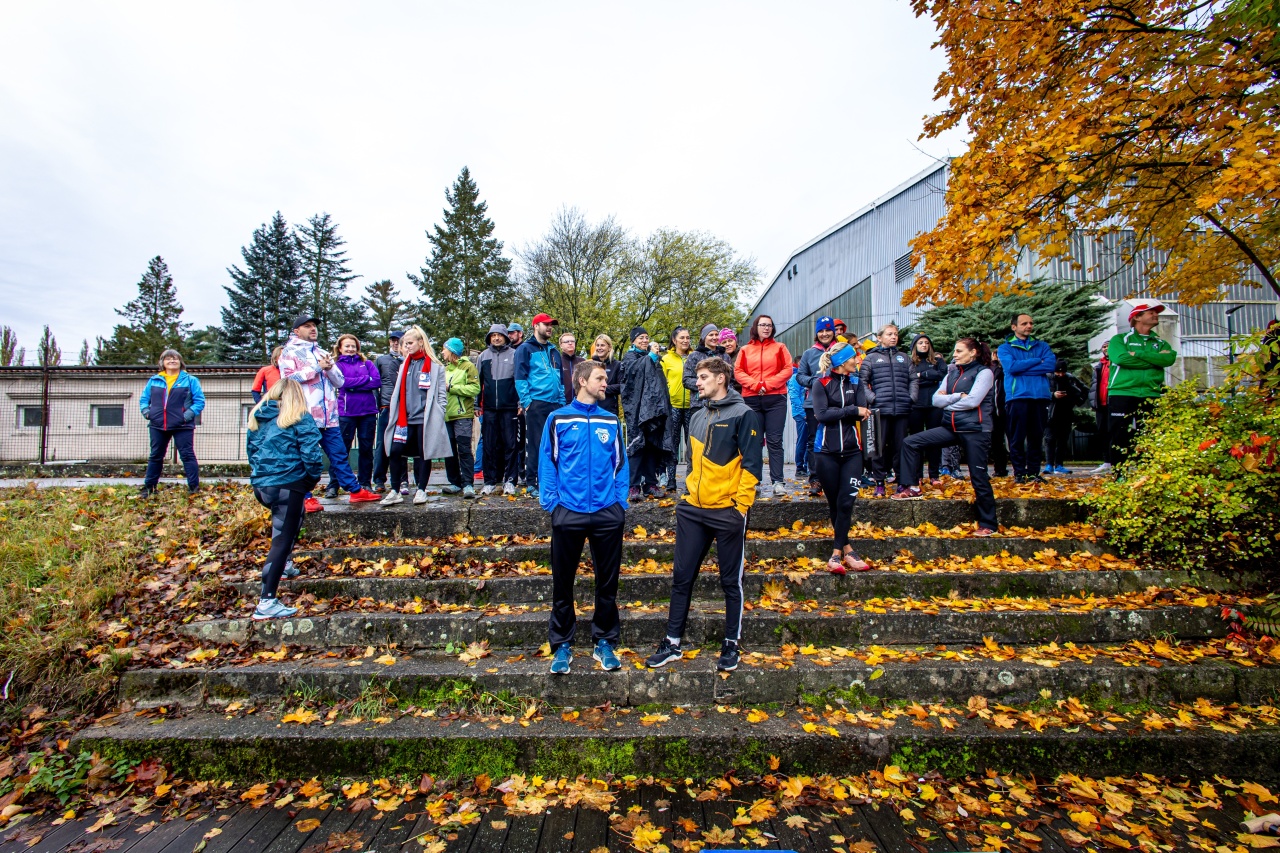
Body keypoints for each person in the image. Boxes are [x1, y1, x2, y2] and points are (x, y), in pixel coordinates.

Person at [646, 356, 762, 673]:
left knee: (731, 582)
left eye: (703, 377)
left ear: (721, 378)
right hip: (692, 511)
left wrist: (739, 508)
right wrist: (686, 497)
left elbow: (752, 467)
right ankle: (672, 642)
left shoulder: (744, 414)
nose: (697, 383)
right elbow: (693, 464)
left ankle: (731, 644)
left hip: (727, 511)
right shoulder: (697, 416)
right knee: (681, 578)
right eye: (697, 377)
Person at [539, 360, 631, 675]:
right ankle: (562, 644)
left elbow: (621, 463)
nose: (605, 383)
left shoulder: (611, 420)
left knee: (608, 583)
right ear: (582, 381)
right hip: (568, 511)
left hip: (607, 512)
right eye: (600, 378)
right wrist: (553, 505)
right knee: (562, 583)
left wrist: (619, 504)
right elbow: (547, 462)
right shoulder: (558, 418)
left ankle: (604, 641)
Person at [892, 337, 999, 535]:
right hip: (951, 427)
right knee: (911, 442)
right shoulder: (952, 372)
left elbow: (973, 401)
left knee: (978, 477)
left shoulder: (984, 372)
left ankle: (989, 524)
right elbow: (936, 400)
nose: (954, 355)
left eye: (959, 351)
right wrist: (957, 397)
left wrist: (948, 403)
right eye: (955, 351)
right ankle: (912, 487)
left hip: (975, 430)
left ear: (973, 353)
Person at [279, 313, 380, 511]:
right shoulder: (289, 352)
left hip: (329, 417)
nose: (313, 329)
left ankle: (355, 491)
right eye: (307, 326)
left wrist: (330, 368)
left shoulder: (322, 352)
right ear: (297, 331)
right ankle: (305, 496)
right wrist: (317, 368)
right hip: (304, 415)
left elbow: (340, 382)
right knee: (307, 457)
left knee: (339, 454)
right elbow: (288, 380)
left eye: (314, 326)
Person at [245, 377, 323, 620]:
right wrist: (309, 481)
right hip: (288, 483)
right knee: (281, 540)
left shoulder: (258, 417)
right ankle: (267, 601)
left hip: (263, 484)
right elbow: (311, 455)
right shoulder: (299, 416)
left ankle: (286, 564)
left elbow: (252, 452)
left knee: (292, 520)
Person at [810, 342, 872, 574]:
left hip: (853, 452)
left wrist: (850, 411)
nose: (857, 360)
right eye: (854, 357)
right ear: (843, 362)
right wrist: (851, 410)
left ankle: (836, 555)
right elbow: (822, 415)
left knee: (846, 502)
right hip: (826, 453)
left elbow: (863, 410)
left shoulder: (856, 382)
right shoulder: (821, 383)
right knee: (835, 502)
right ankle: (848, 549)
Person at [381, 326, 451, 505]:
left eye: (410, 343)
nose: (407, 346)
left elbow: (441, 395)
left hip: (424, 419)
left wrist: (439, 411)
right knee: (395, 451)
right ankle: (395, 490)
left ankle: (421, 489)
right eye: (405, 344)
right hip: (404, 420)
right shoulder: (404, 364)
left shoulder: (435, 366)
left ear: (421, 342)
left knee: (424, 453)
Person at [1106, 302, 1177, 467]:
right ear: (1137, 317)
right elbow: (1120, 358)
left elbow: (1168, 359)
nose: (1155, 315)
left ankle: (1146, 472)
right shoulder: (1119, 340)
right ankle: (1119, 474)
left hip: (1151, 393)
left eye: (1156, 313)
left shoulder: (1161, 343)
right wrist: (1154, 360)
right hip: (1122, 392)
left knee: (1149, 435)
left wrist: (1137, 354)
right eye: (1150, 312)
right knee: (1119, 435)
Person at [734, 315, 793, 497]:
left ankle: (778, 482)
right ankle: (755, 481)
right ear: (756, 327)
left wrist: (767, 385)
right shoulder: (745, 350)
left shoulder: (780, 347)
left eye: (769, 325)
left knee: (775, 441)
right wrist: (755, 385)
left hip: (775, 398)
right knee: (755, 441)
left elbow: (788, 369)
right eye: (762, 325)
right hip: (752, 399)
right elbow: (738, 371)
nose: (766, 328)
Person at [997, 313, 1056, 484]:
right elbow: (1011, 367)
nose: (1029, 326)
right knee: (1017, 438)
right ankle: (1019, 473)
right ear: (1014, 327)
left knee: (1036, 438)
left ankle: (1033, 473)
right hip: (1018, 397)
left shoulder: (1042, 345)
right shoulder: (1005, 348)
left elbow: (1050, 365)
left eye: (1031, 323)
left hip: (1040, 396)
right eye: (1024, 323)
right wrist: (1037, 361)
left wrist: (1024, 367)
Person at [139, 349, 205, 496]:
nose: (172, 361)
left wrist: (185, 417)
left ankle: (194, 489)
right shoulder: (154, 380)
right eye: (168, 358)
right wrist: (147, 412)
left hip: (183, 425)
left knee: (187, 456)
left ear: (180, 362)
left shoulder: (190, 380)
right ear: (162, 362)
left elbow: (199, 402)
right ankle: (149, 488)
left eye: (175, 358)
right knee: (156, 456)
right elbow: (144, 400)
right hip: (157, 424)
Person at [515, 313, 565, 498]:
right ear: (536, 326)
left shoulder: (554, 351)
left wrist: (562, 402)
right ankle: (532, 482)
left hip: (555, 405)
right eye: (546, 324)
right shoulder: (525, 349)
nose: (550, 327)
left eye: (551, 325)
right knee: (535, 444)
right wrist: (527, 403)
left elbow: (560, 380)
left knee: (556, 445)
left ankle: (552, 481)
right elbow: (519, 378)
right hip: (536, 403)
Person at [859, 323, 912, 496]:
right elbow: (862, 382)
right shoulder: (871, 358)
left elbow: (913, 379)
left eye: (895, 334)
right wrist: (872, 398)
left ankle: (902, 482)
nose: (893, 337)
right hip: (880, 409)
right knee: (878, 448)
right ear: (879, 337)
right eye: (889, 334)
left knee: (901, 447)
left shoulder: (904, 358)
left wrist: (911, 397)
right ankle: (879, 482)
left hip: (901, 409)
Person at [621, 327, 670, 499]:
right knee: (637, 446)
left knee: (652, 446)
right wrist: (650, 357)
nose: (644, 340)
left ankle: (650, 483)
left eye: (646, 337)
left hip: (653, 411)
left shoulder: (653, 358)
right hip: (636, 411)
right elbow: (632, 376)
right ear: (633, 341)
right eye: (640, 337)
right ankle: (633, 486)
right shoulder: (629, 357)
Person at [333, 334, 382, 495]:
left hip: (368, 412)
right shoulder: (337, 365)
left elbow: (376, 381)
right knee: (342, 449)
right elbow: (342, 382)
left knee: (366, 449)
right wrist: (365, 380)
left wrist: (353, 385)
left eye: (353, 346)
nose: (350, 349)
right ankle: (334, 484)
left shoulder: (367, 363)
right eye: (347, 346)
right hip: (347, 413)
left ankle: (365, 483)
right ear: (340, 348)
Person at [476, 324, 520, 495]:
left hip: (510, 407)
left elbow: (519, 380)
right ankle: (489, 481)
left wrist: (520, 403)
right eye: (493, 335)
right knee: (489, 445)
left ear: (505, 337)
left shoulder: (514, 354)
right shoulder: (483, 356)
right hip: (489, 408)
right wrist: (476, 404)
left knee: (511, 444)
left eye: (499, 335)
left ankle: (510, 480)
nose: (496, 338)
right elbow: (477, 382)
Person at [796, 317, 837, 496]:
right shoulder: (809, 353)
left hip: (837, 402)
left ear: (833, 332)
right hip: (813, 403)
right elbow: (800, 376)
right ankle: (815, 479)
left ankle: (835, 476)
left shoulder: (841, 350)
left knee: (836, 438)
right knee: (814, 441)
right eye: (821, 331)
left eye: (828, 330)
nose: (824, 334)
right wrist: (815, 381)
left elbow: (853, 371)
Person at [441, 337, 480, 498]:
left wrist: (452, 387)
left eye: (444, 349)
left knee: (464, 449)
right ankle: (455, 483)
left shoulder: (468, 367)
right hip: (446, 415)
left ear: (452, 351)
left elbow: (475, 389)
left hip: (462, 414)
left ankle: (468, 483)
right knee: (449, 451)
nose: (442, 352)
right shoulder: (444, 369)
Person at [907, 333, 948, 485]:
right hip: (916, 405)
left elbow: (942, 375)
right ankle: (917, 475)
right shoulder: (910, 362)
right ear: (914, 346)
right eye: (920, 343)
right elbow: (910, 380)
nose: (924, 345)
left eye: (926, 343)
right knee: (916, 440)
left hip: (934, 406)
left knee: (934, 440)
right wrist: (930, 378)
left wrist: (922, 375)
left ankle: (934, 475)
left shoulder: (938, 361)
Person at [660, 327, 694, 490]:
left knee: (692, 444)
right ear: (674, 340)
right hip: (673, 406)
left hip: (691, 406)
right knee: (672, 444)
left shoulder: (694, 357)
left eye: (687, 337)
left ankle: (691, 479)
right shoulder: (666, 359)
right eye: (682, 338)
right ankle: (671, 479)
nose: (685, 340)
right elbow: (661, 382)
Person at [372, 331, 405, 494]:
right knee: (382, 444)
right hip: (386, 406)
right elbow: (375, 383)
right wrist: (378, 403)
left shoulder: (408, 360)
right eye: (393, 340)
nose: (395, 343)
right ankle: (379, 479)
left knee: (402, 444)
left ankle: (403, 480)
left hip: (404, 407)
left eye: (399, 340)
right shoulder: (381, 360)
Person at [1045, 358, 1088, 474]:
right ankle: (1049, 465)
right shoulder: (1048, 378)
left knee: (1062, 440)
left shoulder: (1070, 378)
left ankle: (1059, 464)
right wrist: (1053, 395)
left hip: (1066, 412)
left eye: (1062, 372)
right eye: (1058, 372)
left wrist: (1078, 401)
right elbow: (1039, 391)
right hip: (1051, 413)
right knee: (1050, 439)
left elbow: (1085, 389)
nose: (1060, 374)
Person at [683, 323, 730, 409]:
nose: (714, 337)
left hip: (722, 402)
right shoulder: (694, 356)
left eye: (716, 334)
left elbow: (731, 379)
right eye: (711, 335)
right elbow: (686, 380)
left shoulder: (725, 356)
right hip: (699, 404)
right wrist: (707, 384)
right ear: (704, 337)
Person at [508, 322, 527, 483]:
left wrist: (521, 402)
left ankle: (523, 472)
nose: (510, 335)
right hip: (508, 402)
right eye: (508, 333)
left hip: (522, 402)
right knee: (510, 441)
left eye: (512, 332)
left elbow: (523, 377)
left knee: (522, 440)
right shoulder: (507, 351)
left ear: (520, 333)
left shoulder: (525, 349)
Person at [1088, 354, 1112, 474]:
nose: (1105, 348)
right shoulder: (1099, 366)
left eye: (1108, 346)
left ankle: (1116, 461)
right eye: (1104, 346)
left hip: (1112, 403)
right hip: (1100, 404)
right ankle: (1107, 462)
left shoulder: (1115, 364)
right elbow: (1094, 385)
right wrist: (1093, 402)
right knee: (1102, 433)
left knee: (1113, 432)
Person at [589, 334, 623, 415]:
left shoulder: (617, 365)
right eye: (597, 345)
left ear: (609, 348)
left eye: (602, 345)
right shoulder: (590, 364)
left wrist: (602, 388)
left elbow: (621, 386)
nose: (599, 348)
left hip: (610, 409)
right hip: (592, 407)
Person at [989, 352, 1010, 478]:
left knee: (999, 441)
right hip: (998, 411)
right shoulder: (996, 370)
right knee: (997, 441)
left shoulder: (999, 371)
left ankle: (1001, 468)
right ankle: (1000, 468)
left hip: (1002, 410)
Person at [787, 364, 808, 479]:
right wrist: (803, 413)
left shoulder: (805, 376)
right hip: (801, 414)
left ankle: (806, 467)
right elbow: (794, 396)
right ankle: (800, 468)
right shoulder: (795, 378)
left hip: (806, 413)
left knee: (808, 440)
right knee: (803, 440)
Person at [557, 331, 584, 403]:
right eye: (567, 341)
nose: (570, 343)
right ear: (561, 345)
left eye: (572, 341)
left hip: (580, 402)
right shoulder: (556, 361)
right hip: (562, 402)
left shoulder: (583, 362)